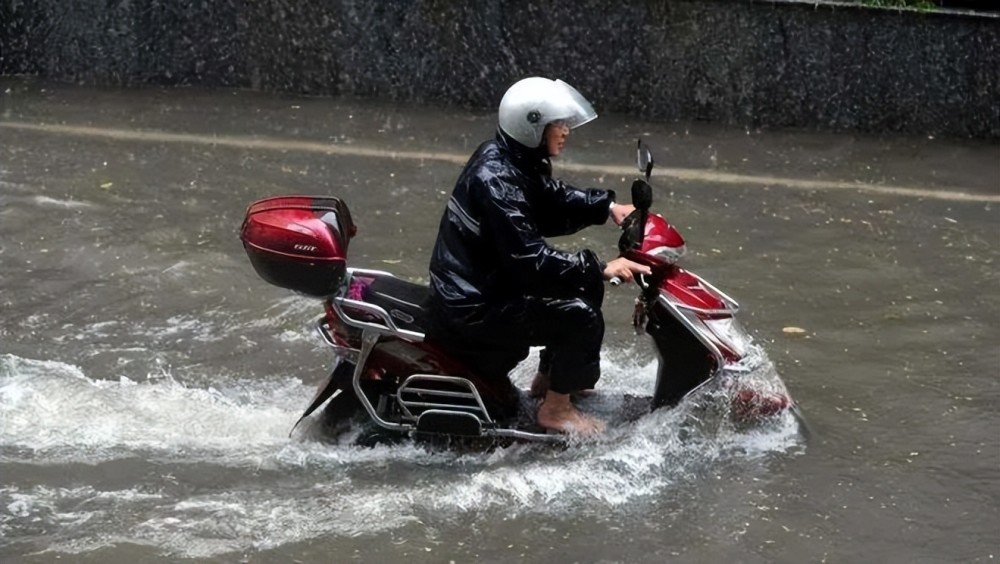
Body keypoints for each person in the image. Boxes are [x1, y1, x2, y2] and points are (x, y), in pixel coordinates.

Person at [426, 77, 650, 435]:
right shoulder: (496, 179)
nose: (565, 131)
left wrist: (607, 207)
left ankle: (548, 384)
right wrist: (602, 267)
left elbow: (548, 198)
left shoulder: (508, 159)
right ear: (531, 127)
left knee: (583, 288)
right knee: (580, 316)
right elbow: (529, 260)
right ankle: (556, 411)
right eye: (556, 124)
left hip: (483, 285)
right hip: (473, 305)